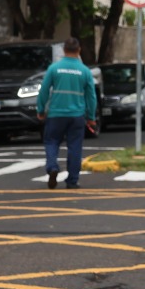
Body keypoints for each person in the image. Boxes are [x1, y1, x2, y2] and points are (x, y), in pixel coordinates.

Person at [35, 37, 98, 190]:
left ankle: (52, 167)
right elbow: (91, 96)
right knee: (75, 147)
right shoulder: (84, 71)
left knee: (51, 141)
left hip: (56, 114)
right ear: (79, 50)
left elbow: (43, 90)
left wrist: (41, 109)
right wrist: (91, 117)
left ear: (64, 50)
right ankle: (72, 181)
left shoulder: (54, 68)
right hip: (76, 115)